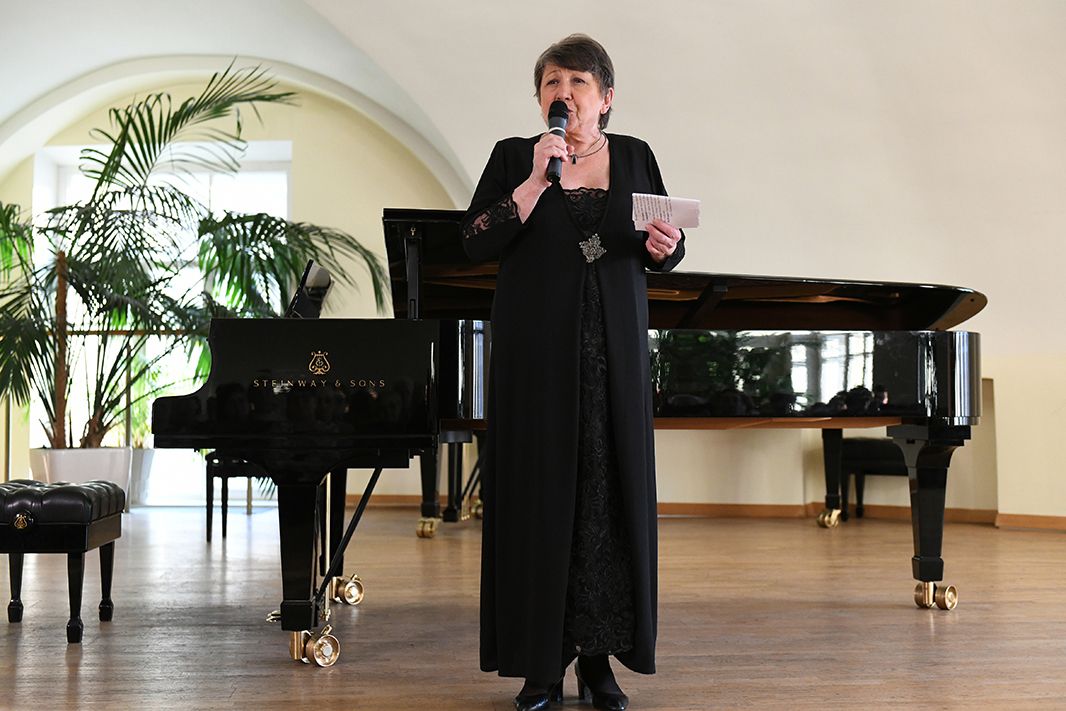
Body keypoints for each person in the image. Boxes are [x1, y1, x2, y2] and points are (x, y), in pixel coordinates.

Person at [462, 34, 685, 711]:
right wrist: (536, 180)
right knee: (539, 499)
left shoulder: (636, 156)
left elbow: (662, 246)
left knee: (606, 504)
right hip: (536, 356)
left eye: (578, 82)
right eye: (552, 83)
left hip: (613, 355)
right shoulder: (514, 157)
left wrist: (667, 247)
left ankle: (597, 662)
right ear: (540, 98)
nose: (564, 93)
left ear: (606, 97)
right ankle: (541, 666)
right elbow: (474, 240)